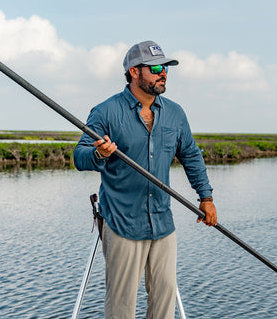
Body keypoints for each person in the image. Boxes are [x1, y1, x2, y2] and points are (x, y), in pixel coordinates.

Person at [73, 40, 217, 319]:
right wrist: (99, 154)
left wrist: (206, 198)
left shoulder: (175, 113)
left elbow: (191, 156)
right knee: (121, 307)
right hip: (122, 224)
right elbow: (79, 157)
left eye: (166, 68)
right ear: (134, 72)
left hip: (163, 224)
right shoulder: (105, 111)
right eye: (156, 68)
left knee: (164, 304)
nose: (163, 73)